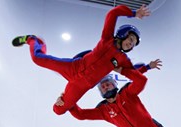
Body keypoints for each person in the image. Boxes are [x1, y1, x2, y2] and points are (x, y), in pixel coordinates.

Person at [11, 4, 151, 115]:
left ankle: (66, 101)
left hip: (80, 86)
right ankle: (33, 40)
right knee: (37, 58)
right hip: (73, 67)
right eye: (131, 39)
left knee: (58, 110)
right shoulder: (107, 39)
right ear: (123, 34)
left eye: (133, 44)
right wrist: (133, 13)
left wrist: (146, 67)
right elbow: (112, 13)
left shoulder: (123, 60)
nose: (131, 44)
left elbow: (135, 73)